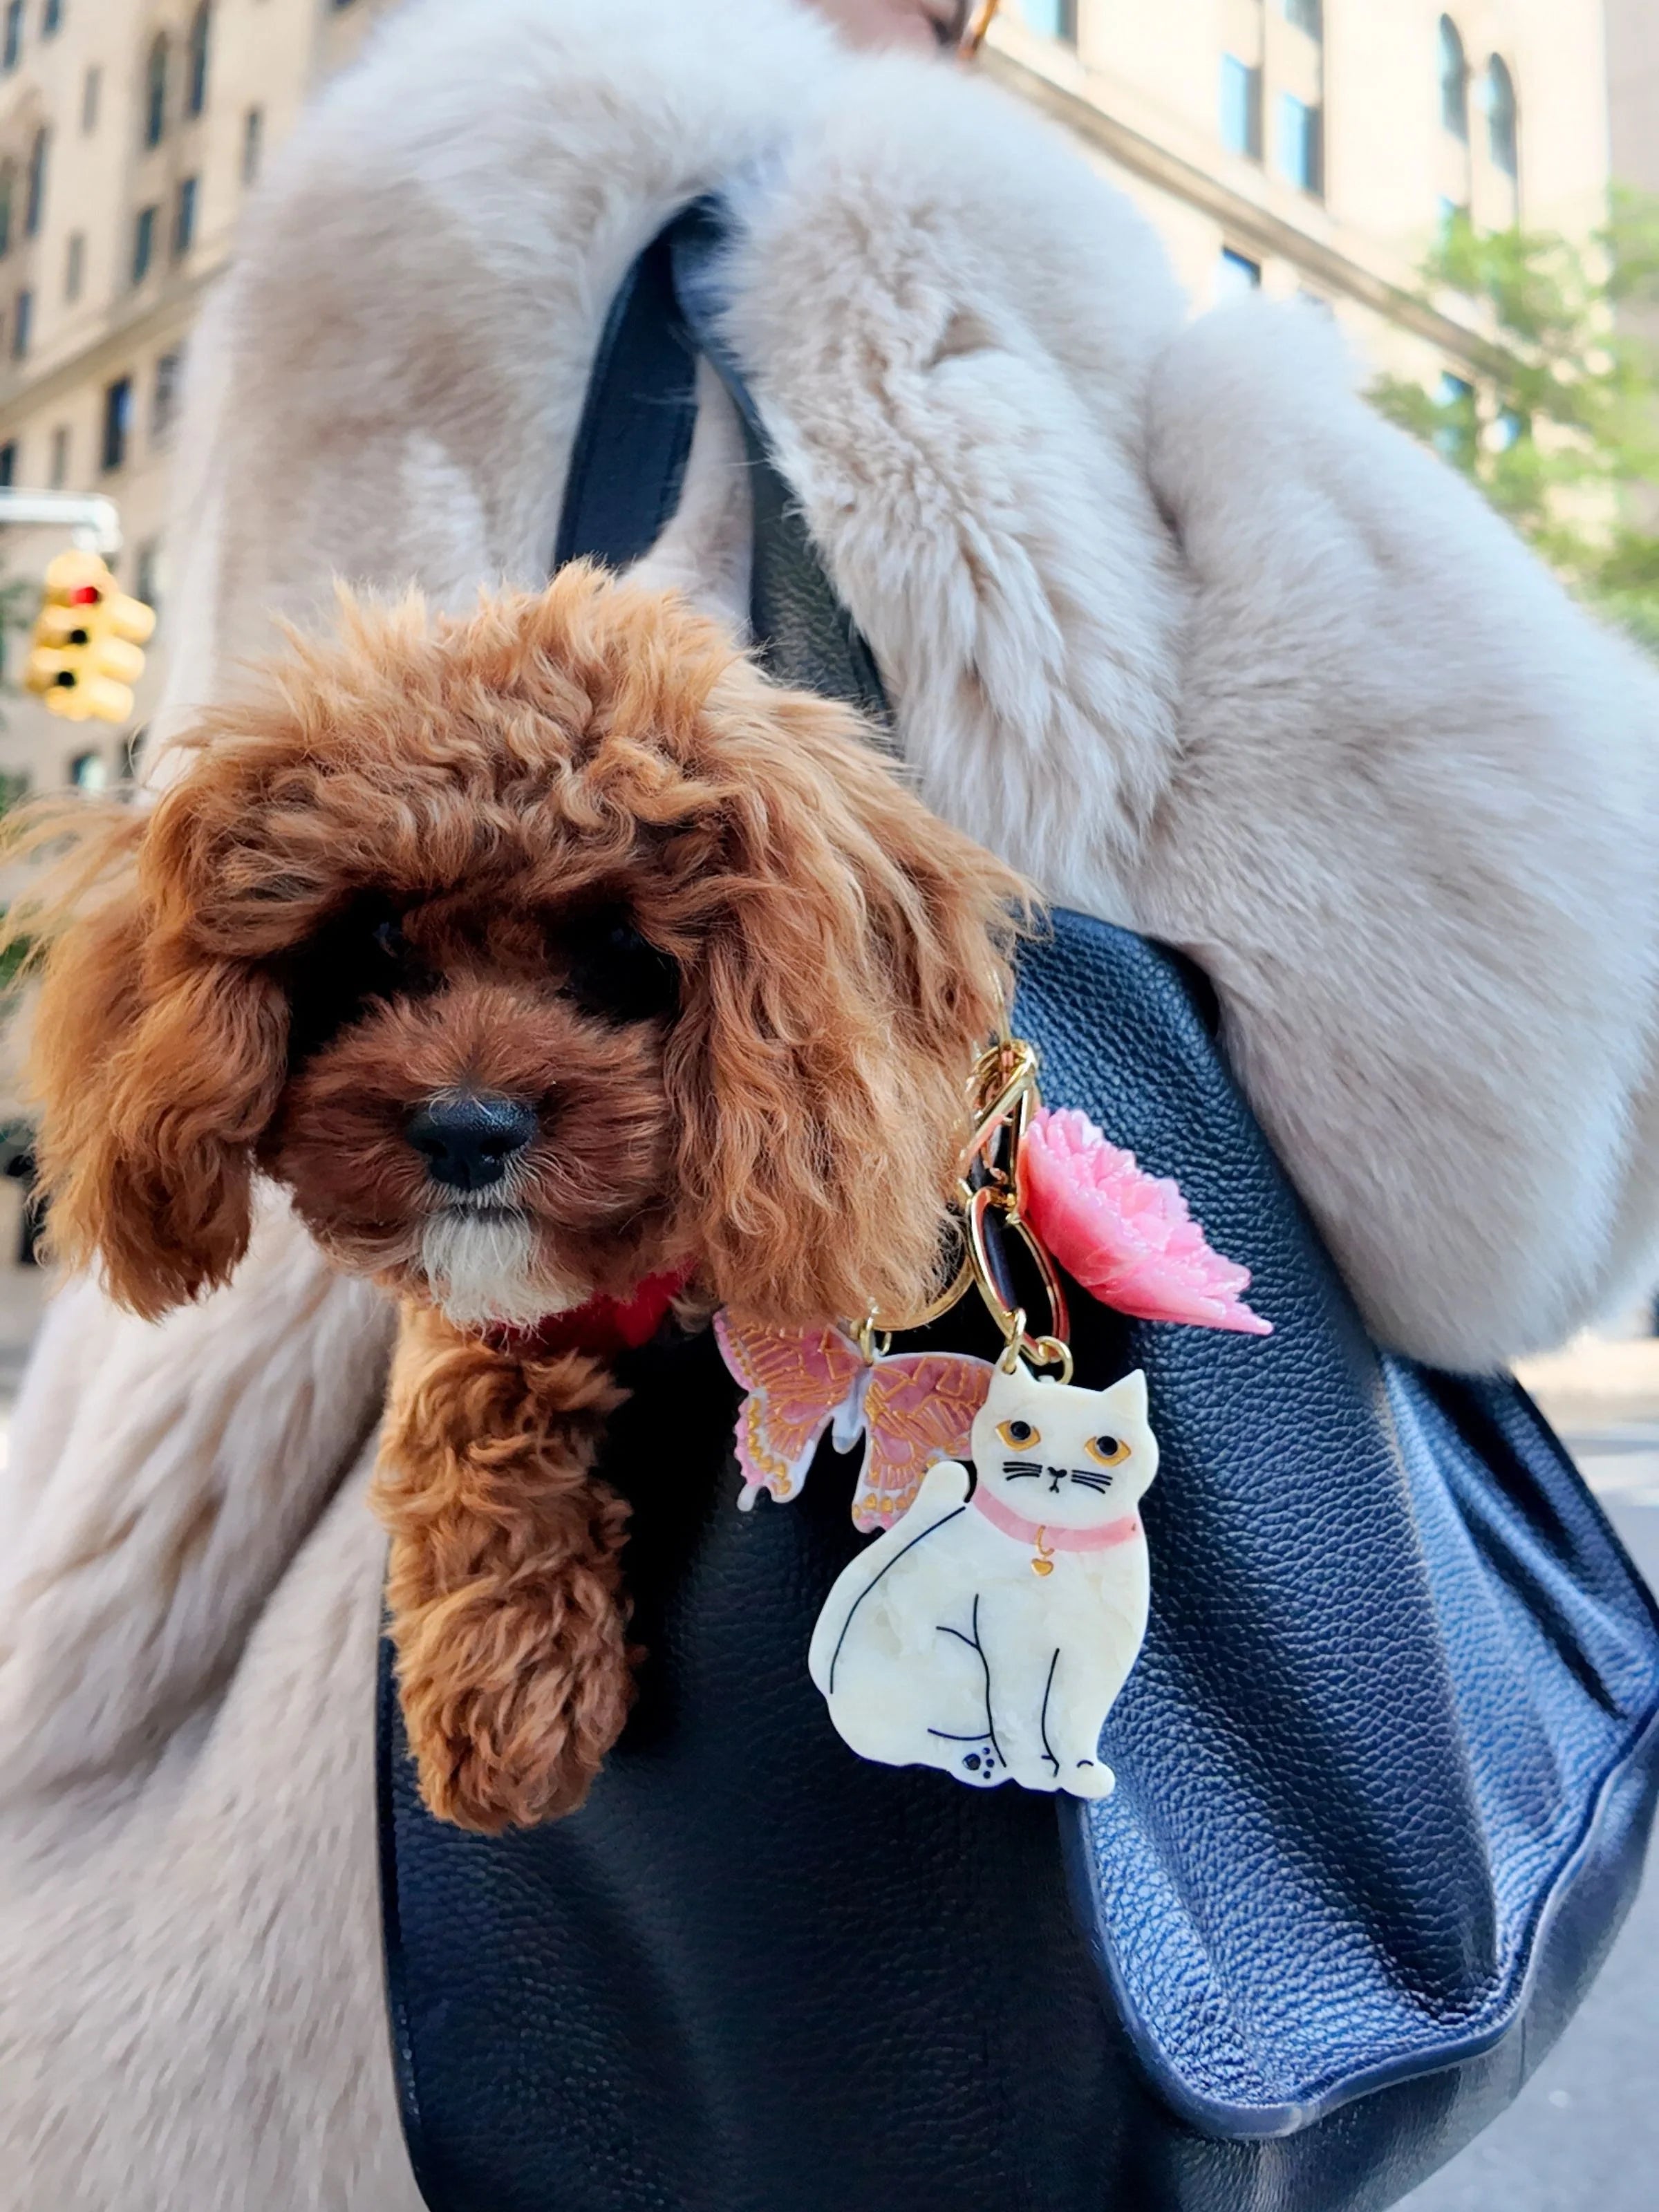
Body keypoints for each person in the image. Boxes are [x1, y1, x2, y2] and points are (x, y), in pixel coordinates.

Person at [3, 0, 1657, 2203]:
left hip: (253, 1854)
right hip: (933, 1885)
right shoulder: (1081, 339)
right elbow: (1494, 1172)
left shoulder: (372, 250)